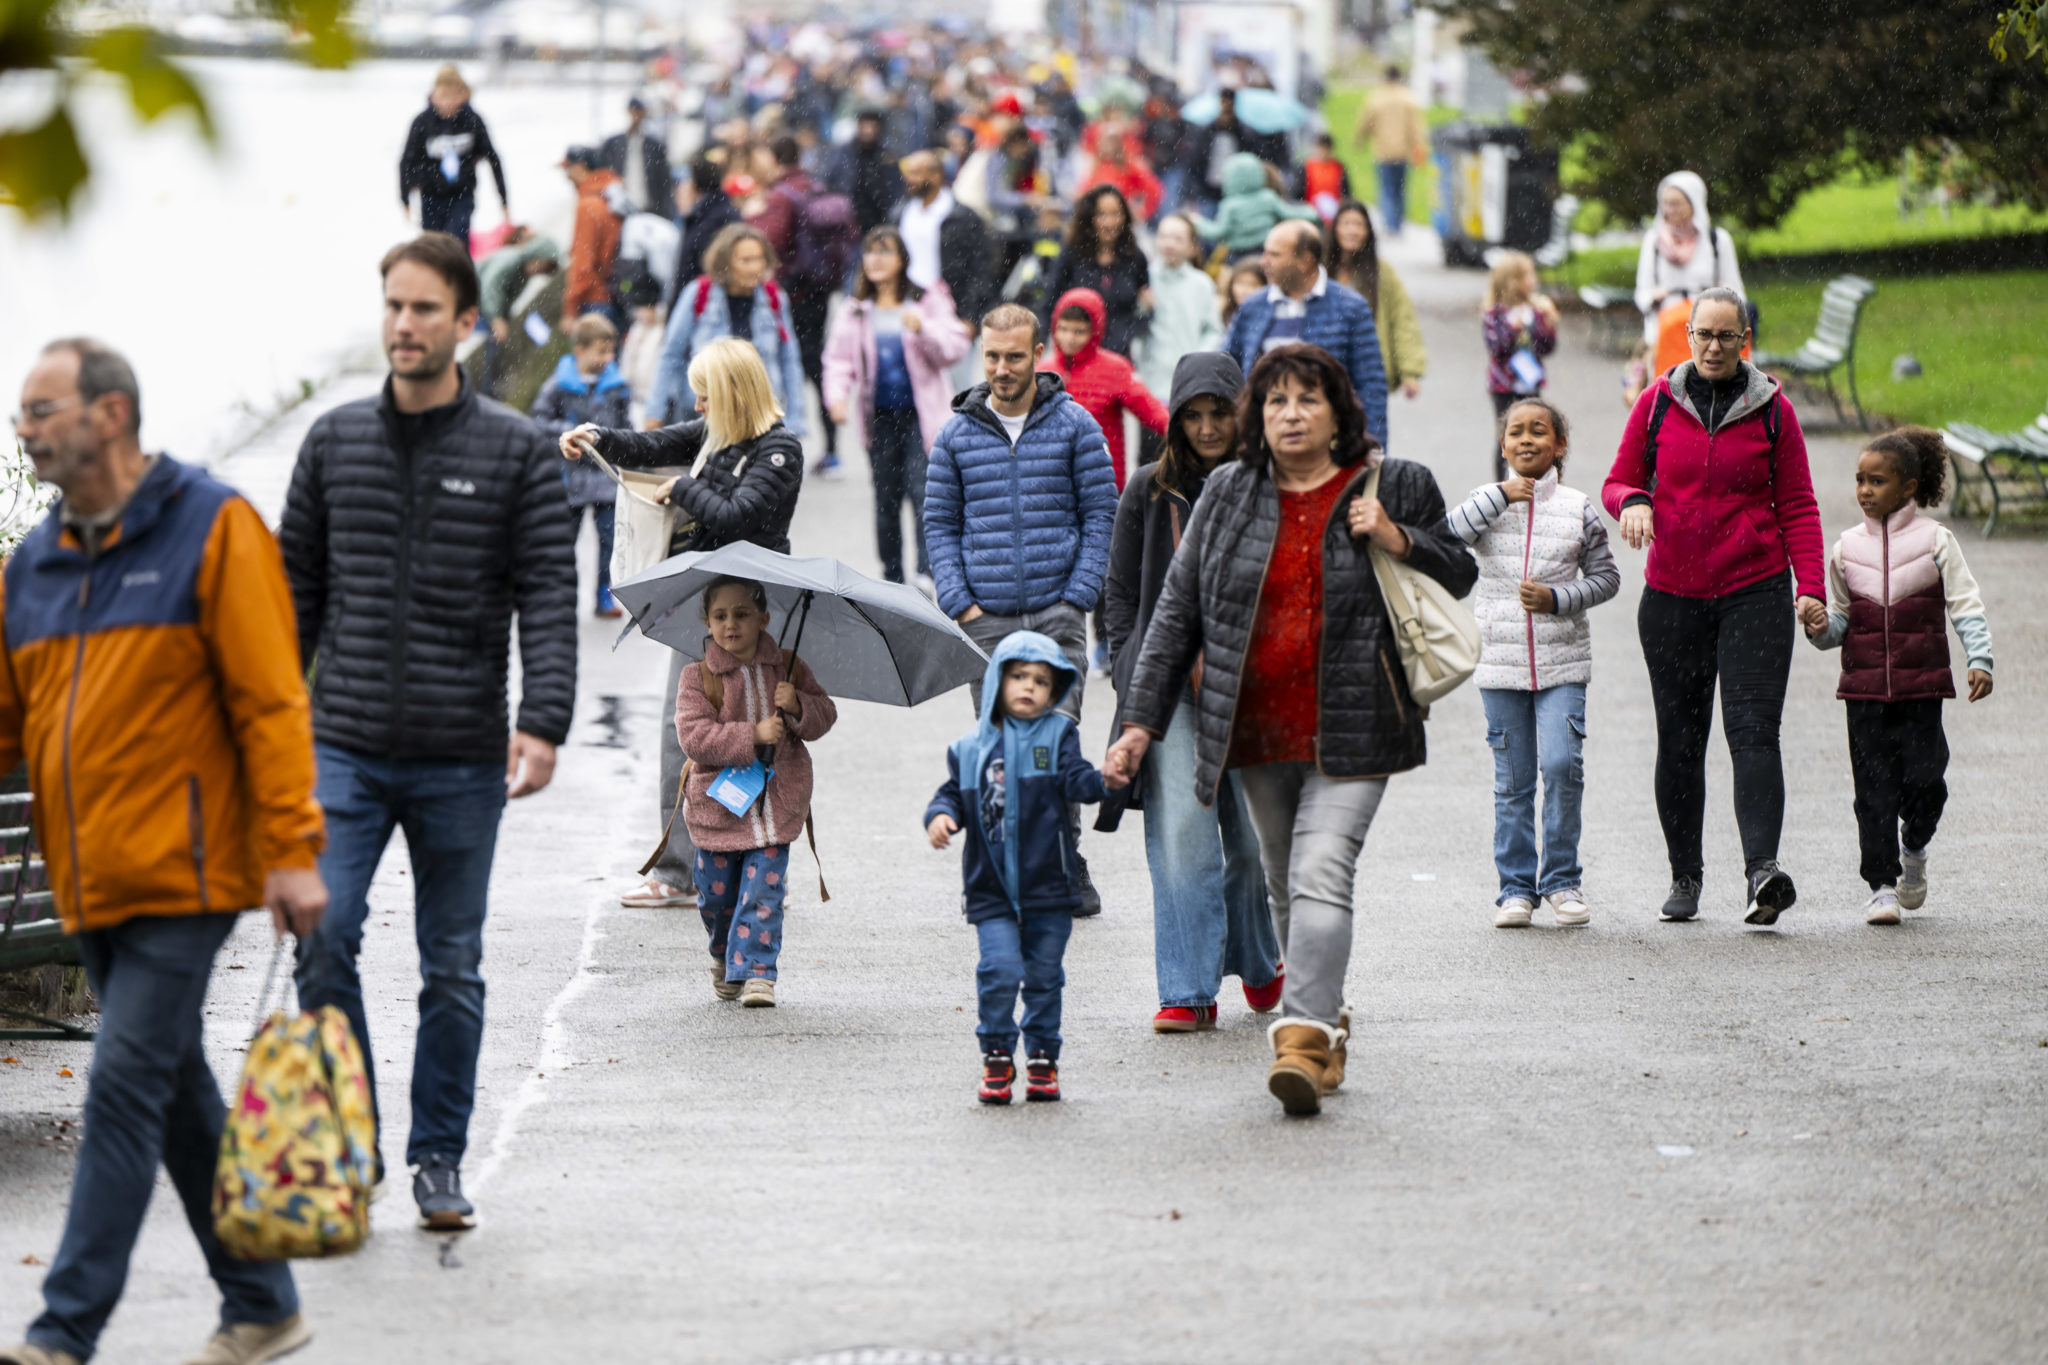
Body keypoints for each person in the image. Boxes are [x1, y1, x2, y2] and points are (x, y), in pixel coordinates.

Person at [1, 340, 327, 1365]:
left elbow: (270, 699)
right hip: (86, 875)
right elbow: (11, 723)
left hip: (188, 874)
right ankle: (262, 1302)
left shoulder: (210, 527)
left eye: (42, 410)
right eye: (22, 413)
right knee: (175, 1086)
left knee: (123, 1084)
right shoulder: (35, 562)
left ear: (109, 415)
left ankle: (64, 1331)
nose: (25, 429)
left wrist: (290, 849)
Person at [280, 234, 577, 1232]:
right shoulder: (331, 443)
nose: (402, 325)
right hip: (344, 745)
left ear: (465, 324)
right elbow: (293, 599)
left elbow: (546, 589)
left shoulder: (514, 448)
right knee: (324, 938)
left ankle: (437, 1160)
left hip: (460, 752)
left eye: (422, 310)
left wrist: (542, 721)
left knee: (451, 963)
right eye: (392, 307)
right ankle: (351, 1139)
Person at [1106, 344, 1475, 1117]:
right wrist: (1140, 721)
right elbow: (1174, 612)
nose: (1291, 415)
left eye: (1307, 400)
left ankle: (1302, 1031)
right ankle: (1324, 1008)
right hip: (1255, 726)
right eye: (1275, 403)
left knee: (1320, 872)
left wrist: (1395, 536)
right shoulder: (1229, 495)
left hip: (1356, 722)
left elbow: (1459, 569)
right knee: (1283, 881)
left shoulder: (1392, 483)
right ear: (1258, 417)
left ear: (1338, 410)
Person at [1603, 286, 1826, 927]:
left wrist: (1808, 585)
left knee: (1754, 732)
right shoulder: (1656, 403)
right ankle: (1686, 874)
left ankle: (1762, 872)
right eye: (1704, 334)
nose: (1713, 347)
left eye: (1727, 336)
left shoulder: (1772, 411)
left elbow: (1801, 507)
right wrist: (1634, 502)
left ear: (1745, 340)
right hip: (1672, 595)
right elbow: (1618, 481)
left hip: (1754, 590)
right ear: (1689, 334)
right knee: (1681, 739)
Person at [560, 338, 805, 917]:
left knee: (752, 740)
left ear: (729, 395)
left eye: (704, 397)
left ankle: (757, 861)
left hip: (751, 612)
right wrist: (596, 436)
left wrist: (682, 489)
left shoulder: (779, 451)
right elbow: (650, 443)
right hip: (704, 606)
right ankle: (679, 869)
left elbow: (737, 517)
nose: (696, 408)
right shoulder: (714, 434)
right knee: (686, 735)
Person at [1102, 352, 1282, 1032]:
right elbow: (1119, 594)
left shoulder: (1268, 485)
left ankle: (1260, 962)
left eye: (1219, 413)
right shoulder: (1149, 488)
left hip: (1253, 688)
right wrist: (1129, 667)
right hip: (1169, 689)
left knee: (1250, 844)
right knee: (1184, 837)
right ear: (1175, 420)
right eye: (1193, 415)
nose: (1207, 427)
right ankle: (1187, 986)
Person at [924, 303, 1119, 916]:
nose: (1003, 368)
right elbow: (939, 523)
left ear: (1039, 355)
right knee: (1001, 748)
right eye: (993, 357)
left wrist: (1077, 595)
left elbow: (1102, 515)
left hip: (1058, 613)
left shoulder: (1076, 426)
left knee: (1052, 741)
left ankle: (1064, 860)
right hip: (989, 622)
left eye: (1015, 356)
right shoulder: (956, 435)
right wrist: (961, 603)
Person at [924, 632, 1125, 1105]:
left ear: (1055, 691)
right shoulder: (970, 747)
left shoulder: (1059, 737)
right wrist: (940, 816)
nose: (1029, 687)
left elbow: (1080, 782)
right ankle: (996, 1054)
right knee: (998, 970)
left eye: (1041, 680)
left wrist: (1106, 780)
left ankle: (1041, 1058)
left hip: (1048, 888)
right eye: (1018, 676)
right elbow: (951, 792)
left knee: (1043, 977)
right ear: (998, 680)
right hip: (990, 887)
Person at [1805, 427, 1994, 925]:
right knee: (1872, 791)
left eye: (1878, 481)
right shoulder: (1845, 549)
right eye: (1860, 480)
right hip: (1863, 692)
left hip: (1922, 687)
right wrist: (1821, 629)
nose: (1865, 490)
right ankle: (1882, 885)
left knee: (1928, 782)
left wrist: (1980, 658)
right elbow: (1841, 621)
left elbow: (1965, 605)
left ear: (1909, 487)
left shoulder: (1936, 540)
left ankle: (1914, 843)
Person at [1447, 397, 1619, 929]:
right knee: (1513, 780)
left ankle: (1563, 881)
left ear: (1558, 446)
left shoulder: (1577, 507)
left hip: (1562, 661)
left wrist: (1557, 598)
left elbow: (1607, 577)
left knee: (1562, 767)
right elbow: (1449, 534)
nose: (1526, 440)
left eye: (1538, 432)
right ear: (1502, 446)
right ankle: (1515, 889)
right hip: (1499, 664)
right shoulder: (1486, 502)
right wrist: (1500, 493)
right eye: (1515, 433)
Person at [675, 577, 838, 1007]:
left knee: (764, 891)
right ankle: (723, 953)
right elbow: (694, 737)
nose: (732, 624)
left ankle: (757, 973)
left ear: (764, 618)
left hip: (775, 807)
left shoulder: (787, 668)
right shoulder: (697, 677)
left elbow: (824, 716)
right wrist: (753, 734)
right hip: (719, 809)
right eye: (721, 616)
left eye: (743, 614)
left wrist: (800, 705)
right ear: (707, 622)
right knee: (717, 896)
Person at [822, 226, 970, 585]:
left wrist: (923, 328)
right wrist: (837, 397)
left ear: (902, 259)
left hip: (923, 417)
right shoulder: (856, 309)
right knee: (886, 499)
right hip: (881, 419)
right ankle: (892, 578)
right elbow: (838, 359)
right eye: (870, 252)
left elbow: (955, 348)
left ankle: (926, 574)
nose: (875, 259)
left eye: (885, 251)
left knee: (925, 493)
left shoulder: (928, 299)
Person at [1225, 221, 1389, 449]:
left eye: (1274, 255)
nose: (1264, 262)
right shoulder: (1253, 306)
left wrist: (1373, 446)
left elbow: (1371, 385)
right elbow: (1227, 369)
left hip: (1330, 447)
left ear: (1305, 260)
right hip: (1262, 443)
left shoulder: (1350, 307)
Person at [749, 135, 854, 476]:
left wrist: (750, 216)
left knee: (783, 367)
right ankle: (833, 449)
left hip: (791, 295)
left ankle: (776, 451)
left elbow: (770, 240)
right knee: (818, 366)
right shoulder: (812, 185)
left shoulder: (780, 195)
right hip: (818, 290)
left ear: (775, 158)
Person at [651, 224, 805, 434]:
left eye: (759, 259)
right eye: (746, 260)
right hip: (704, 415)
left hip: (759, 416)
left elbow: (789, 359)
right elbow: (671, 354)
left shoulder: (774, 297)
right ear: (725, 263)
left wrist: (796, 417)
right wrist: (654, 412)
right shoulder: (699, 293)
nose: (755, 267)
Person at [530, 312, 632, 618]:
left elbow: (626, 427)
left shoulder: (617, 386)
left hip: (604, 475)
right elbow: (539, 419)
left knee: (609, 540)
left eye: (611, 351)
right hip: (568, 477)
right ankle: (560, 596)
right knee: (562, 542)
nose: (608, 357)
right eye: (601, 351)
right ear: (580, 349)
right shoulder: (558, 385)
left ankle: (604, 594)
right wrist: (568, 431)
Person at [1040, 288, 1169, 491]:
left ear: (1095, 331)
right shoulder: (1043, 371)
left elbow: (1151, 410)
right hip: (1054, 484)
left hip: (1102, 484)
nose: (1069, 338)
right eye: (1063, 329)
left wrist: (1183, 435)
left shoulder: (1115, 368)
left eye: (1079, 331)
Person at [1326, 199, 1424, 410]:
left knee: (1367, 437)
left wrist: (1410, 371)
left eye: (1358, 225)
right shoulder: (1320, 270)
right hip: (1325, 368)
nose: (1352, 231)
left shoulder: (1382, 274)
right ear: (1335, 229)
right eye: (1346, 224)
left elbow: (1402, 319)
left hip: (1367, 369)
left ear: (1368, 232)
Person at [398, 64, 507, 253]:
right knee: (432, 249)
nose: (447, 101)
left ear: (463, 95)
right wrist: (405, 199)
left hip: (461, 194)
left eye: (452, 95)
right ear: (433, 95)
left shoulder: (472, 120)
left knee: (457, 242)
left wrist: (503, 199)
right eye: (442, 95)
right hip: (431, 195)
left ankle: (460, 279)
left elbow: (493, 158)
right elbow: (407, 162)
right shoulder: (422, 122)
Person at [1039, 184, 1153, 361]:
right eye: (1101, 214)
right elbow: (1049, 304)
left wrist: (1130, 332)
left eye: (1115, 214)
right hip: (1076, 357)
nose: (1109, 222)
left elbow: (1146, 307)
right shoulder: (1072, 255)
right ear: (1089, 218)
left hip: (1119, 358)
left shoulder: (1135, 258)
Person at [1633, 171, 1744, 346]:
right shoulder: (1654, 241)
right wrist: (1653, 296)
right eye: (1666, 204)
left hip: (1710, 335)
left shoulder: (1717, 240)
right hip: (1665, 334)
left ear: (1694, 203)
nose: (1669, 210)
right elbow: (1642, 293)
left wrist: (1725, 295)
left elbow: (1738, 294)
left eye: (1676, 204)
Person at [897, 150, 997, 334]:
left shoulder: (963, 216)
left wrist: (970, 316)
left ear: (936, 176)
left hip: (950, 310)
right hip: (907, 308)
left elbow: (980, 268)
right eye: (907, 172)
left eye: (916, 173)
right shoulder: (901, 212)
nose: (908, 179)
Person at [1482, 250, 1559, 481]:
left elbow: (1547, 347)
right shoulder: (1494, 314)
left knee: (1532, 435)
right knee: (1508, 436)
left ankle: (1529, 480)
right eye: (1529, 275)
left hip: (1529, 383)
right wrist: (1513, 328)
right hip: (1504, 387)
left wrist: (1548, 323)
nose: (1534, 280)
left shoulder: (1535, 311)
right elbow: (1496, 347)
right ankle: (1503, 486)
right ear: (1513, 281)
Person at [1135, 213, 1224, 407]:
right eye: (1164, 237)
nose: (1169, 244)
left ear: (1192, 247)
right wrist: (1142, 307)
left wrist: (1197, 362)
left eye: (1177, 239)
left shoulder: (1201, 284)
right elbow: (1134, 328)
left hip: (1189, 384)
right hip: (1150, 382)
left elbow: (1213, 330)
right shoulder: (1144, 278)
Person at [1193, 152, 1320, 263]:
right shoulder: (1268, 197)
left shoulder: (1230, 205)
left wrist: (1198, 223)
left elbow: (1219, 231)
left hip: (1238, 254)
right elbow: (1288, 213)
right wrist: (1309, 212)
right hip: (1265, 249)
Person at [667, 154, 744, 317]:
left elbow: (688, 269)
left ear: (694, 184)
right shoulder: (726, 212)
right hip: (726, 302)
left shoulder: (704, 219)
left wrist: (674, 311)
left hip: (707, 306)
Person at [1353, 65, 1427, 235]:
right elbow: (1417, 127)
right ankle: (1398, 223)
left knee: (1386, 188)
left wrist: (1360, 139)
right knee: (1400, 189)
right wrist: (1419, 146)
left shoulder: (1377, 98)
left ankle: (1389, 223)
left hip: (1383, 151)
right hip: (1403, 152)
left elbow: (1365, 121)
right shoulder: (1408, 98)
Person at [1186, 88, 1284, 212]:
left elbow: (1254, 156)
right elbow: (1196, 161)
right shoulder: (1207, 133)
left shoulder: (1243, 133)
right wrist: (1197, 189)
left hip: (1236, 191)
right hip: (1209, 190)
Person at [561, 145, 624, 330]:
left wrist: (570, 310)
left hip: (595, 301)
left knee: (594, 357)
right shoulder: (610, 195)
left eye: (567, 169)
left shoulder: (587, 206)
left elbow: (583, 264)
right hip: (614, 295)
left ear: (580, 167)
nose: (566, 177)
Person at [825, 108, 905, 233]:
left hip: (879, 215)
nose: (868, 131)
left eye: (872, 126)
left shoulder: (887, 154)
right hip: (850, 215)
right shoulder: (843, 153)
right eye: (865, 126)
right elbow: (831, 179)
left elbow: (896, 185)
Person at [601, 94, 673, 213]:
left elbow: (664, 183)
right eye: (634, 110)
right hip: (619, 208)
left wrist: (664, 210)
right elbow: (605, 174)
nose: (636, 115)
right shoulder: (614, 143)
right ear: (628, 111)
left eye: (640, 111)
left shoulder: (654, 146)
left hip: (648, 208)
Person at [1077, 129, 1165, 224]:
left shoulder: (1129, 165)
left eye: (1110, 142)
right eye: (1103, 142)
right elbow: (1085, 192)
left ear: (1118, 144)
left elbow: (1155, 189)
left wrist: (1143, 212)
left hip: (1121, 220)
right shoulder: (1097, 166)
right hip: (1099, 221)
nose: (1106, 147)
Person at [1295, 131, 1352, 220]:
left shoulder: (1338, 167)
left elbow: (1346, 192)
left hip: (1334, 213)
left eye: (1326, 148)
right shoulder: (1307, 167)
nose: (1323, 152)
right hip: (1311, 211)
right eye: (1321, 148)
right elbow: (1299, 192)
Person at [1218, 259, 1266, 329]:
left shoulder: (1267, 317)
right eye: (1240, 283)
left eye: (1253, 285)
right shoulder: (1222, 313)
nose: (1245, 291)